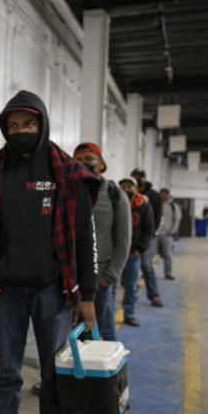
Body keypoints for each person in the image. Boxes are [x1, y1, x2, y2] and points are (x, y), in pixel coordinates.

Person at [0, 90, 98, 414]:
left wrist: (87, 295)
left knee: (53, 373)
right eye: (13, 125)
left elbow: (81, 237)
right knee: (7, 368)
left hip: (53, 291)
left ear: (42, 124)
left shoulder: (67, 171)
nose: (21, 131)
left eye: (29, 123)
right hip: (5, 288)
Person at [73, 143, 131, 340]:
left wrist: (109, 276)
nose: (84, 164)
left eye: (89, 159)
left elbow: (124, 240)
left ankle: (101, 369)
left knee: (97, 329)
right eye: (78, 160)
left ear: (101, 164)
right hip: (70, 276)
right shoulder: (68, 192)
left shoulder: (115, 195)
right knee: (73, 331)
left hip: (100, 275)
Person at [119, 179, 156, 327]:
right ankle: (104, 319)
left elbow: (149, 229)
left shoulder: (143, 206)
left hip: (132, 253)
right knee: (108, 287)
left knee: (130, 285)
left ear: (136, 188)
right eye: (123, 187)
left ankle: (129, 313)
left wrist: (139, 248)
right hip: (115, 253)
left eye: (130, 187)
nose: (127, 190)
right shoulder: (116, 202)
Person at [131, 168, 163, 307]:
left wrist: (150, 236)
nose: (138, 178)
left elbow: (158, 217)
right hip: (130, 240)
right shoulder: (129, 194)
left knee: (146, 267)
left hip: (147, 238)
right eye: (135, 176)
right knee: (131, 271)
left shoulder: (154, 196)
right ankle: (132, 297)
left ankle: (154, 295)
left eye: (140, 176)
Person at [157, 188, 181, 279]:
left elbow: (177, 219)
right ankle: (147, 272)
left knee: (167, 255)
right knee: (148, 255)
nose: (162, 196)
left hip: (166, 235)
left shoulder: (173, 206)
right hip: (154, 235)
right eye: (161, 194)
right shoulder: (155, 204)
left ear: (168, 195)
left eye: (164, 194)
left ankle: (168, 273)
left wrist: (172, 231)